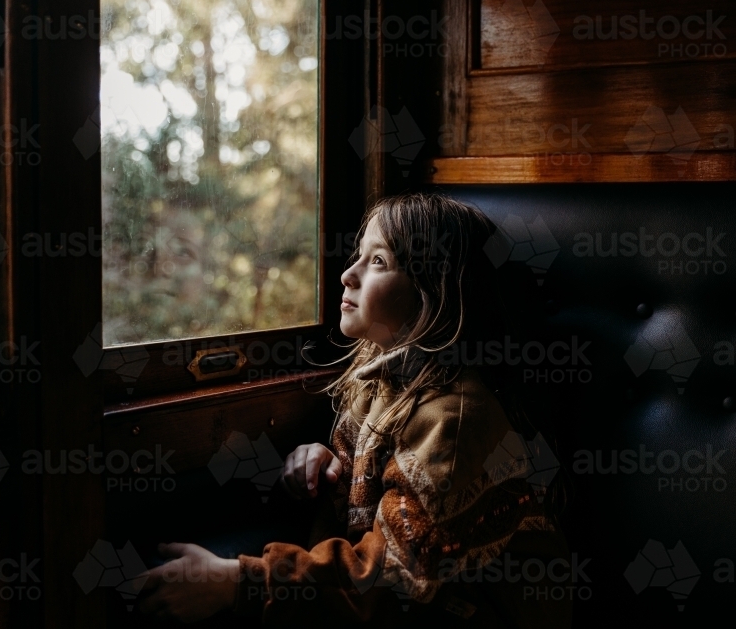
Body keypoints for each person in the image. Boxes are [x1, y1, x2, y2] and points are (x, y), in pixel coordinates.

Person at [137, 192, 571, 627]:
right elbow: (372, 513)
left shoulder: (455, 424)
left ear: (432, 291)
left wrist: (240, 583)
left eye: (378, 261)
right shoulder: (378, 382)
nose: (347, 274)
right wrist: (328, 470)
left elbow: (389, 586)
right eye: (358, 256)